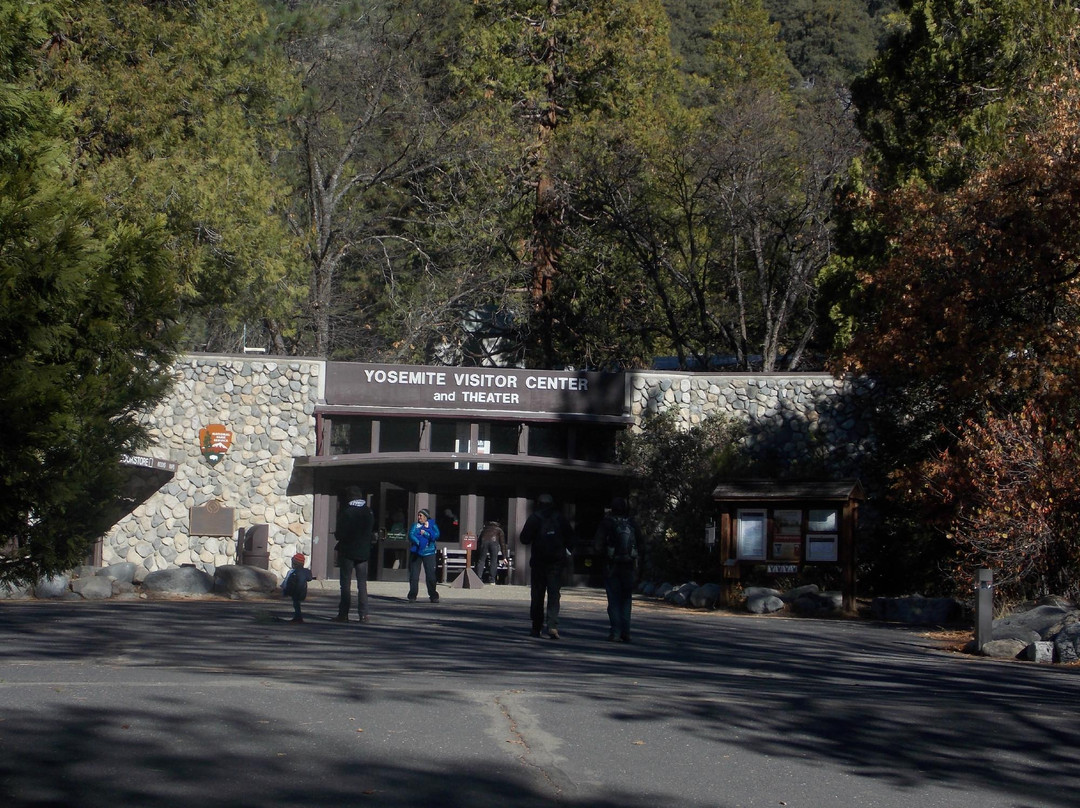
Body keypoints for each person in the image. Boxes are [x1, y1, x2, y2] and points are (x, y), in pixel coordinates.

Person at [519, 493, 575, 639]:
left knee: (537, 595)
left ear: (538, 504)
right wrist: (565, 552)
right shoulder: (560, 518)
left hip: (538, 562)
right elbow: (571, 538)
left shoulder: (534, 518)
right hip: (556, 563)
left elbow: (524, 539)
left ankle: (536, 627)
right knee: (554, 594)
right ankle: (552, 625)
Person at [594, 497, 640, 642]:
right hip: (629, 566)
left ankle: (615, 632)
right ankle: (626, 631)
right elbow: (642, 545)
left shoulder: (606, 523)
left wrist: (604, 557)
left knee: (613, 600)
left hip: (611, 566)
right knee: (626, 599)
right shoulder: (632, 523)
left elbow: (597, 546)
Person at [334, 486, 374, 623]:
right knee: (362, 584)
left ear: (349, 497)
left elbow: (340, 533)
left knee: (345, 584)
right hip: (363, 552)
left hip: (348, 551)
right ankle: (364, 614)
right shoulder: (368, 512)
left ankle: (343, 614)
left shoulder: (347, 512)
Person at [407, 508, 440, 602]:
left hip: (429, 552)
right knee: (414, 574)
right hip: (416, 552)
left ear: (426, 517)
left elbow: (436, 535)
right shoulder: (415, 525)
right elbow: (411, 535)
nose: (419, 517)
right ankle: (412, 595)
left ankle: (433, 595)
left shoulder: (432, 525)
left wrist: (425, 534)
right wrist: (418, 542)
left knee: (430, 575)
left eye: (421, 515)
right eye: (418, 515)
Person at [281, 552, 313, 623]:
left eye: (293, 563)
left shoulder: (298, 572)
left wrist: (294, 591)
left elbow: (300, 583)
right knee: (296, 604)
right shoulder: (299, 572)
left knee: (296, 604)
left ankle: (298, 618)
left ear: (296, 564)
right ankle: (297, 617)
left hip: (298, 591)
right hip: (299, 591)